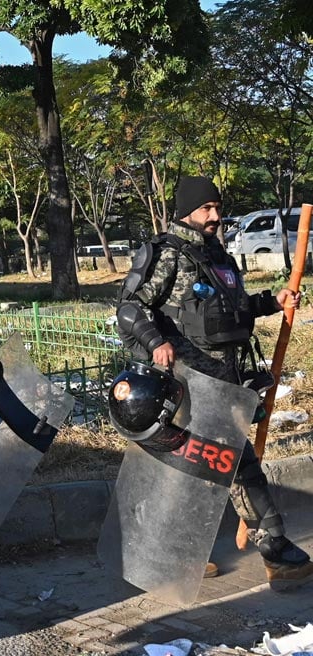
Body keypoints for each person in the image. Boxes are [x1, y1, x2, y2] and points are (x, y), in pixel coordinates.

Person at [116, 175, 313, 586]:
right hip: (189, 385)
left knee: (199, 469)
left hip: (226, 382)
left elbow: (232, 312)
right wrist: (156, 343)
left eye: (218, 208)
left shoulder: (217, 255)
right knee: (236, 464)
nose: (215, 216)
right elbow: (130, 308)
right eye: (207, 208)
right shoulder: (165, 252)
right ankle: (276, 550)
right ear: (187, 210)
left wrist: (270, 302)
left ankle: (172, 556)